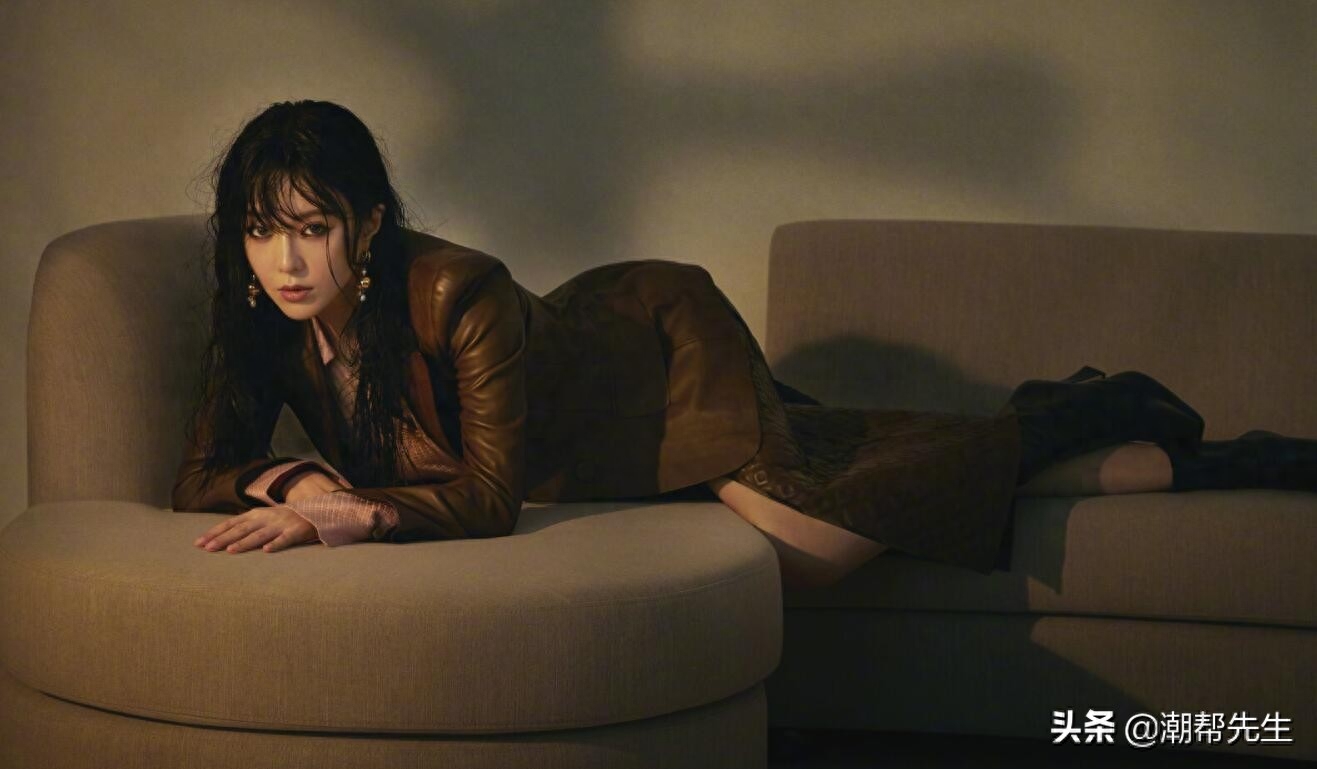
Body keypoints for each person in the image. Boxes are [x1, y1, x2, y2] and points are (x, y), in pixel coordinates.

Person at [175, 100, 1317, 590]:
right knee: (843, 469)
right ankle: (1161, 441)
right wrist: (297, 479)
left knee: (813, 552)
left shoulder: (455, 290)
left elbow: (486, 497)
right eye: (264, 231)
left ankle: (1061, 416)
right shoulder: (267, 318)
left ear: (370, 224)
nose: (287, 260)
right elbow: (201, 471)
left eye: (313, 227)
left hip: (655, 358)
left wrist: (349, 514)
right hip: (588, 450)